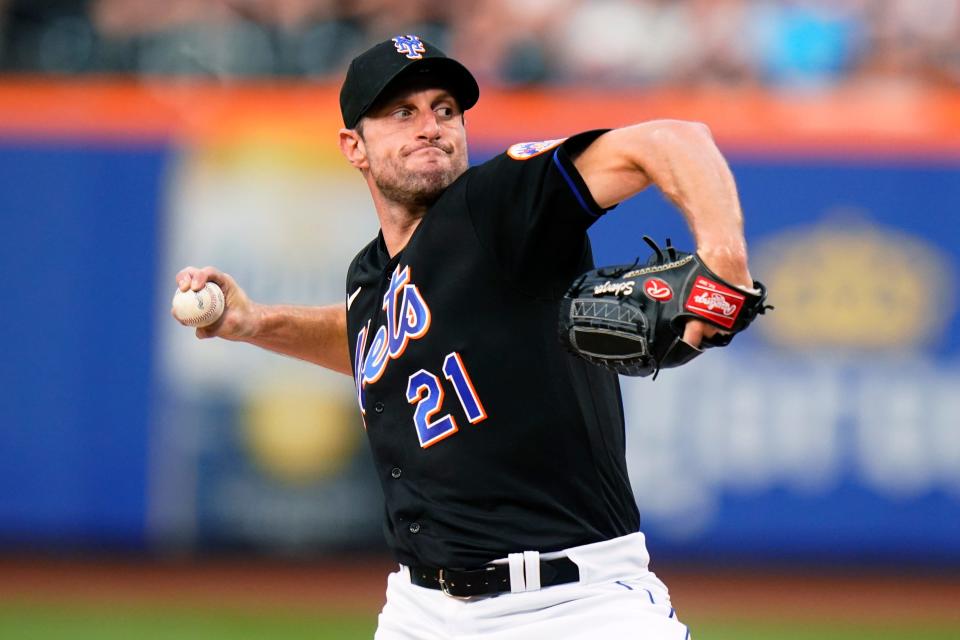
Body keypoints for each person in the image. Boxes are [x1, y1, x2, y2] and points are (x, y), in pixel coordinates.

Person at [174, 35, 754, 640]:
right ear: (355, 146)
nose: (431, 126)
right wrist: (253, 322)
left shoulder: (497, 206)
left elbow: (674, 139)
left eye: (445, 110)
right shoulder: (370, 276)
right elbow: (369, 342)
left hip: (573, 604)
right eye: (403, 112)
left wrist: (724, 257)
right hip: (419, 609)